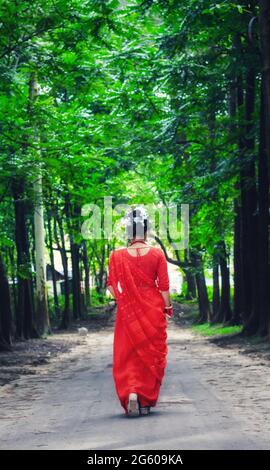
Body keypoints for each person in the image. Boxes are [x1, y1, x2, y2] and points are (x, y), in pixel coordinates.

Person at [106, 208, 173, 417]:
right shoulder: (157, 254)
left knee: (128, 354)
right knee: (149, 354)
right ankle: (144, 400)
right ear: (146, 231)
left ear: (128, 231)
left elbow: (110, 286)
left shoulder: (116, 256)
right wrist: (167, 308)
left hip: (128, 313)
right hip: (152, 309)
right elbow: (164, 287)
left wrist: (124, 300)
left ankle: (132, 393)